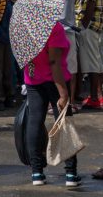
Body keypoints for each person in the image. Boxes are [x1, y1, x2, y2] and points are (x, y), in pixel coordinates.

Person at [21, 18, 80, 187]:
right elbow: (54, 62)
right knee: (64, 123)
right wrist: (63, 93)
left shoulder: (24, 26)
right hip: (56, 81)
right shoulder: (53, 27)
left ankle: (36, 173)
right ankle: (70, 174)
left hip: (33, 79)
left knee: (34, 121)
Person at [73, 0, 103, 109]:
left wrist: (84, 23)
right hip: (91, 21)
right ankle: (95, 96)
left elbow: (90, 0)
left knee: (92, 61)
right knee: (92, 60)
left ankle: (95, 97)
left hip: (90, 22)